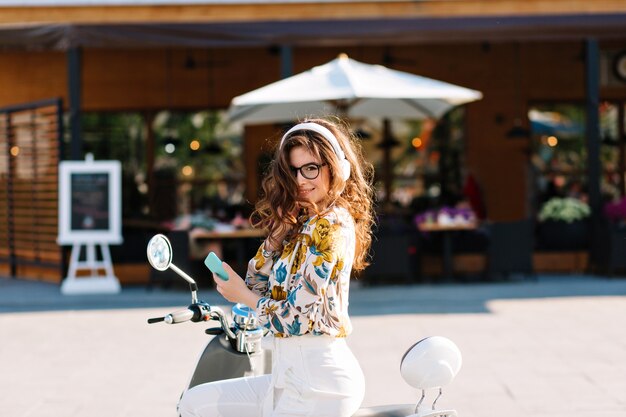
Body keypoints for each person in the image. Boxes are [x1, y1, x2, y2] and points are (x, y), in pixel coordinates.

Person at [178, 117, 375, 417]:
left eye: (311, 168)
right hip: (287, 377)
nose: (300, 181)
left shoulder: (332, 225)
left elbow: (294, 318)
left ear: (338, 167)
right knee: (194, 403)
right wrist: (276, 238)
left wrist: (242, 296)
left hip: (319, 385)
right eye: (292, 171)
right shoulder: (305, 222)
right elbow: (256, 287)